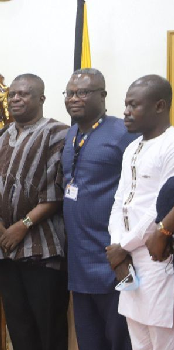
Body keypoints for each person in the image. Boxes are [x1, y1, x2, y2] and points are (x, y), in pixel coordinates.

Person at [0, 74, 69, 350]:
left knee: (48, 325)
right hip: (4, 246)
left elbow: (61, 190)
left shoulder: (58, 134)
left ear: (41, 99)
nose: (16, 99)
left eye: (24, 94)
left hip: (41, 245)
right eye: (12, 95)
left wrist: (23, 224)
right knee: (18, 324)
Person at [61, 68, 134, 350]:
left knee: (120, 341)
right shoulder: (71, 135)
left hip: (113, 259)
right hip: (79, 263)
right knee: (89, 342)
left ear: (102, 95)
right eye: (69, 93)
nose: (74, 98)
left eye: (82, 92)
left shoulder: (123, 132)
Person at [107, 75, 174, 350]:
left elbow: (161, 207)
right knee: (139, 340)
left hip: (157, 257)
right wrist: (116, 245)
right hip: (126, 257)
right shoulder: (132, 147)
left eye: (134, 105)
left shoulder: (171, 144)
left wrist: (124, 246)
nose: (125, 112)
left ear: (159, 106)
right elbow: (120, 200)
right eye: (125, 105)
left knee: (162, 339)